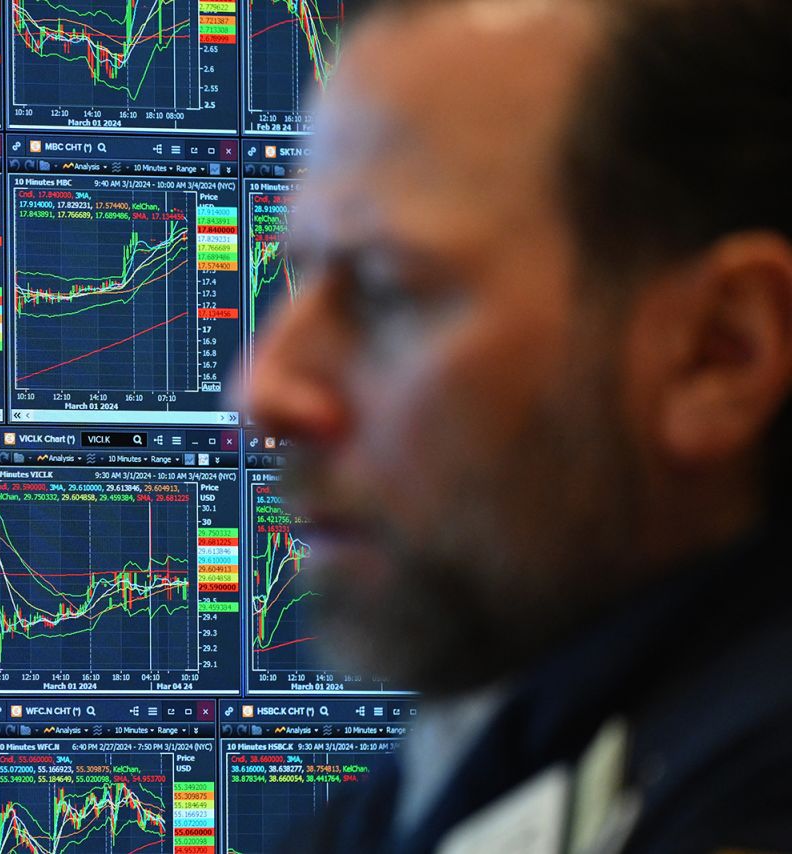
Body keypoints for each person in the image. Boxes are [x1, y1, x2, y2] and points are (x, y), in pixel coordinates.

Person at [245, 0, 792, 850]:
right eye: (301, 276)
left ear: (720, 353)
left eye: (385, 289)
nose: (264, 389)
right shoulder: (510, 748)